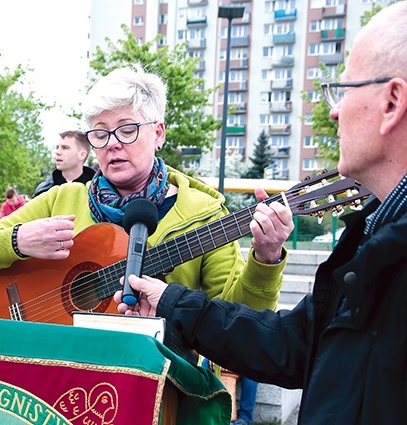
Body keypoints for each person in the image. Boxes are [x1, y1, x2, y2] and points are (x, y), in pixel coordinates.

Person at [114, 5, 407, 423]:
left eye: (343, 90)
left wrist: (263, 258)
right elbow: (294, 344)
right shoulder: (373, 235)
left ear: (392, 101)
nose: (333, 111)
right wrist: (169, 301)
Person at [0, 67, 293, 317]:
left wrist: (265, 259)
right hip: (58, 367)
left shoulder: (203, 213)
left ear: (158, 133)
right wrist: (17, 240)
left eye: (127, 130)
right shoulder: (64, 198)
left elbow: (241, 321)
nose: (112, 144)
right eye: (100, 134)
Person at [32, 130, 96, 197]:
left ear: (82, 155)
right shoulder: (44, 190)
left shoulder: (97, 192)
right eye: (57, 147)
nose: (57, 152)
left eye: (65, 148)